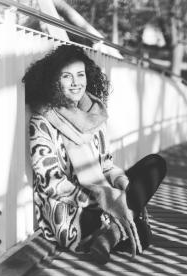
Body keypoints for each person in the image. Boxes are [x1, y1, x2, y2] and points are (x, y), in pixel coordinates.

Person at [23, 44, 167, 264]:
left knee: (155, 164)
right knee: (143, 234)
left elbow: (107, 166)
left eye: (80, 75)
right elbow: (51, 184)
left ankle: (113, 234)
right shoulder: (42, 121)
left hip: (102, 200)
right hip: (74, 212)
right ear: (54, 81)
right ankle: (118, 228)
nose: (75, 83)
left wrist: (121, 183)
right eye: (67, 76)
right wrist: (101, 199)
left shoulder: (94, 116)